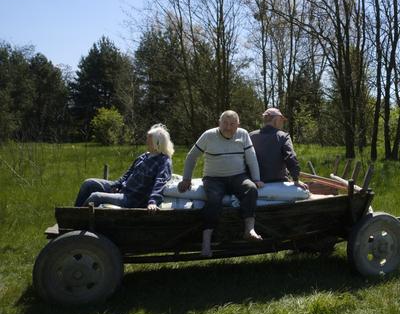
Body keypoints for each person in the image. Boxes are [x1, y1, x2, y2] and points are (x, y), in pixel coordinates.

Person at [178, 110, 264, 257]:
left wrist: (256, 179)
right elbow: (192, 156)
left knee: (251, 189)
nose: (228, 127)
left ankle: (249, 229)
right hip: (213, 178)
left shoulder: (243, 134)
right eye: (225, 123)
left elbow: (251, 157)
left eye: (232, 124)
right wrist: (186, 179)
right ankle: (206, 243)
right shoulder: (209, 135)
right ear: (219, 122)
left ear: (238, 125)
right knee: (214, 199)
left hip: (238, 176)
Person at [74, 124, 174, 211]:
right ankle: (71, 215)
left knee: (95, 197)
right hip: (123, 190)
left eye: (149, 139)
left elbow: (160, 182)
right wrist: (117, 185)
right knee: (88, 184)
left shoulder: (163, 161)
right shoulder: (144, 156)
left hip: (131, 199)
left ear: (157, 143)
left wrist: (153, 201)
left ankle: (78, 221)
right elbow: (128, 174)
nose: (146, 141)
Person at [250, 107, 308, 190]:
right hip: (278, 181)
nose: (282, 123)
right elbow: (290, 157)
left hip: (257, 183)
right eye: (281, 120)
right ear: (276, 120)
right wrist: (296, 179)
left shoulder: (251, 136)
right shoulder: (283, 136)